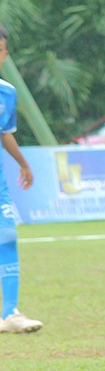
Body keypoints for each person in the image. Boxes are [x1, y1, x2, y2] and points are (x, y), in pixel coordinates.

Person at [0, 24, 43, 334]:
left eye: (3, 50)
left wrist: (23, 164)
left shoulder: (7, 92)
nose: (2, 56)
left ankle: (10, 313)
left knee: (7, 236)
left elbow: (5, 134)